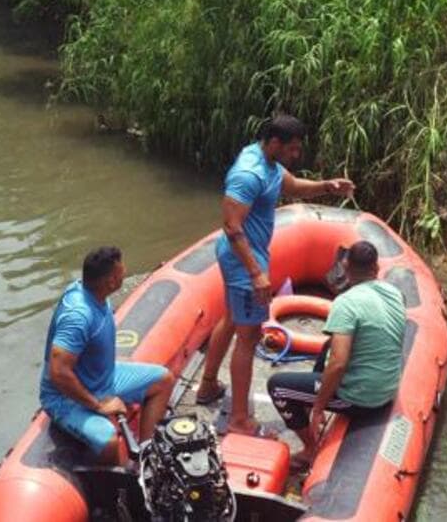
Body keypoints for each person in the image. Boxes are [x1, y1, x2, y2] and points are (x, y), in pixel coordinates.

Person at [195, 114, 354, 435]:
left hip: (245, 259)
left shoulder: (268, 162)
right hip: (244, 263)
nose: (296, 154)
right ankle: (239, 419)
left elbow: (291, 186)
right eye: (292, 148)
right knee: (249, 336)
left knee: (231, 318)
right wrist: (256, 273)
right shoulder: (248, 174)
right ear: (275, 143)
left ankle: (208, 384)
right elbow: (231, 226)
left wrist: (326, 186)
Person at [266, 240, 405, 471]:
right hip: (386, 386)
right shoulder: (394, 293)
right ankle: (307, 403)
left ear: (346, 267)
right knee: (328, 344)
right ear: (376, 267)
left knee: (278, 386)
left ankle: (310, 450)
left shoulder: (346, 303)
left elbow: (339, 363)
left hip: (360, 396)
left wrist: (319, 407)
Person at [38, 246, 176, 463]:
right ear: (110, 282)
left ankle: (147, 456)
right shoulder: (78, 316)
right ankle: (111, 477)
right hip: (64, 398)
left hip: (103, 377)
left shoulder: (96, 293)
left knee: (163, 380)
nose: (125, 272)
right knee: (109, 441)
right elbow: (58, 372)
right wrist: (98, 405)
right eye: (122, 271)